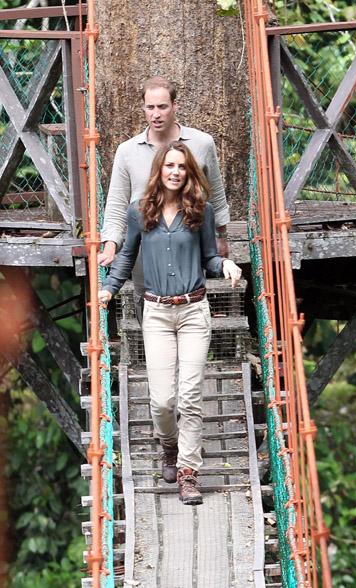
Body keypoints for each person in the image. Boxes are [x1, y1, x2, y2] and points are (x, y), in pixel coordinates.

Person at [98, 142, 241, 506]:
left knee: (191, 397)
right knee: (162, 401)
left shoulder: (201, 211)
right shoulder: (139, 211)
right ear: (159, 170)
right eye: (170, 166)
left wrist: (224, 266)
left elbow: (210, 256)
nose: (175, 172)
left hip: (194, 311)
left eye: (182, 166)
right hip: (157, 314)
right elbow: (127, 256)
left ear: (189, 171)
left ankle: (189, 473)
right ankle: (169, 446)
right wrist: (109, 289)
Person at [98, 76, 230, 270]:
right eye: (150, 107)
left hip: (189, 246)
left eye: (162, 107)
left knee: (190, 296)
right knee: (143, 298)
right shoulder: (127, 151)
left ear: (174, 106)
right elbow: (117, 204)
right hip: (145, 248)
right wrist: (110, 246)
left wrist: (222, 238)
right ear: (143, 108)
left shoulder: (202, 143)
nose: (156, 114)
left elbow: (216, 195)